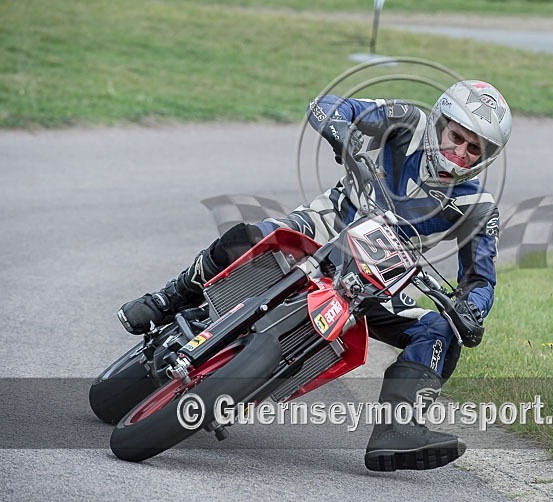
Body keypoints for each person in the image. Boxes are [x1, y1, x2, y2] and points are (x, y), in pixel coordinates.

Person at [118, 80, 512, 471]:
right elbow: (328, 105)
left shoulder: (478, 206)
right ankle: (167, 299)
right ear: (439, 122)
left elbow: (480, 280)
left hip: (376, 284)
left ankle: (399, 428)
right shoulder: (406, 122)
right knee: (253, 234)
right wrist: (341, 132)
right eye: (455, 136)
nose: (458, 152)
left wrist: (471, 310)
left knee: (440, 331)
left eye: (473, 148)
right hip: (319, 231)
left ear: (486, 157)